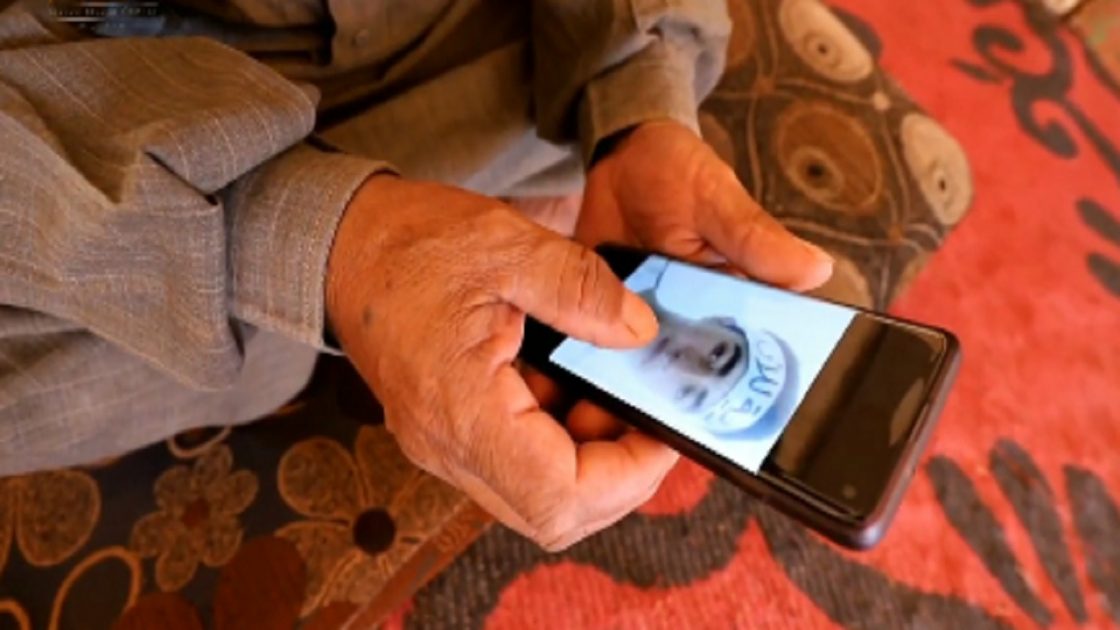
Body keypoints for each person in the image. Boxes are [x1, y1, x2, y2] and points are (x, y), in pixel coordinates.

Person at [0, 0, 833, 551]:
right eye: (719, 356)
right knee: (87, 325)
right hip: (79, 57)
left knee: (647, 60)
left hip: (458, 37)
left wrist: (634, 99)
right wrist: (327, 244)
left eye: (697, 381)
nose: (683, 357)